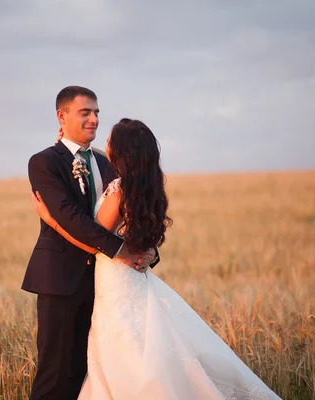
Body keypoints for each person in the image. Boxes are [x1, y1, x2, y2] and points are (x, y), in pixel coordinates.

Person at [32, 118, 282, 399]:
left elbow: (94, 241)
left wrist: (51, 221)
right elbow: (137, 230)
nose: (104, 140)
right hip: (130, 280)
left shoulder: (117, 190)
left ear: (121, 151)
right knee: (140, 349)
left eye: (110, 139)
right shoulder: (142, 186)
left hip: (115, 281)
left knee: (123, 351)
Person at [22, 86, 159, 400]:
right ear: (62, 116)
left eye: (97, 112)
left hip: (107, 286)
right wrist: (121, 251)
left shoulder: (108, 161)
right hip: (61, 281)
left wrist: (148, 250)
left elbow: (134, 208)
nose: (94, 119)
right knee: (54, 376)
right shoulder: (44, 162)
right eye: (85, 112)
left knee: (91, 376)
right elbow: (69, 216)